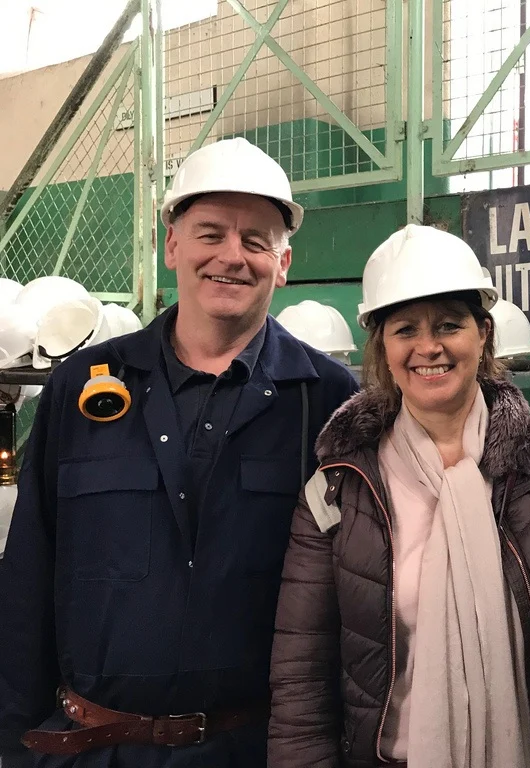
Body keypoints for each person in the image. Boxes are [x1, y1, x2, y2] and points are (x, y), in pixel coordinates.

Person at [0, 137, 359, 767]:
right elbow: (29, 573)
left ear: (284, 262)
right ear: (172, 245)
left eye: (256, 241)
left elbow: (358, 593)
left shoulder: (326, 399)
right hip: (89, 749)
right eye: (210, 233)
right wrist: (13, 740)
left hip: (254, 751)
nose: (231, 257)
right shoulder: (80, 388)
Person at [267, 224, 530, 768]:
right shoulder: (338, 487)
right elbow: (301, 677)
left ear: (483, 333)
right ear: (382, 347)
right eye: (405, 330)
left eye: (449, 325)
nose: (428, 347)